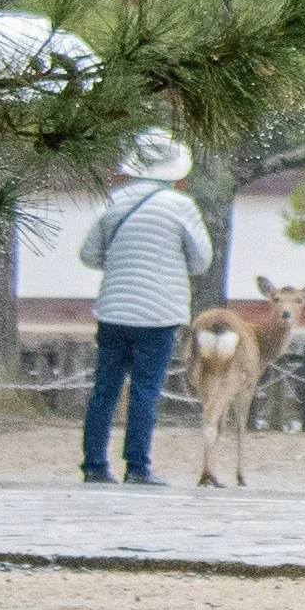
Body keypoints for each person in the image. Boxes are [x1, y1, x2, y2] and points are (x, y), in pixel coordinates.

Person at [76, 130, 207, 487]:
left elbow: (88, 255)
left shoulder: (113, 201)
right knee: (145, 390)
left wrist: (120, 262)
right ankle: (137, 466)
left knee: (104, 388)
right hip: (160, 312)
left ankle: (94, 464)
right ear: (175, 170)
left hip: (114, 308)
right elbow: (201, 261)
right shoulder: (182, 206)